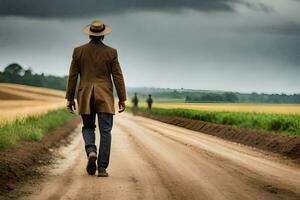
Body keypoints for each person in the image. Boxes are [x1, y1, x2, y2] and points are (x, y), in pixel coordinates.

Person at [65, 19, 126, 177]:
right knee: (106, 131)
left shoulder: (78, 51)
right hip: (104, 96)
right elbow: (118, 77)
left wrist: (70, 98)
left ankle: (91, 150)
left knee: (88, 127)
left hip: (85, 95)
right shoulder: (111, 52)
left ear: (90, 34)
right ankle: (102, 168)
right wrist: (122, 98)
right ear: (103, 35)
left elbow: (72, 77)